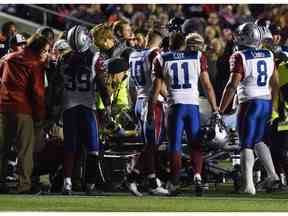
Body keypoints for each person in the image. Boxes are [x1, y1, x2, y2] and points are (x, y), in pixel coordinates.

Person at [149, 32, 218, 196]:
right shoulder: (197, 56)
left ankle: (174, 182)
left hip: (175, 105)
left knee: (175, 145)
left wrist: (151, 110)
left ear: (169, 43)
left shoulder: (161, 58)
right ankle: (198, 176)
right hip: (192, 105)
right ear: (184, 43)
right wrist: (215, 108)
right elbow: (207, 85)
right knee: (196, 143)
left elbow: (156, 89)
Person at [219, 22, 280, 195]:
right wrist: (272, 104)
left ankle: (249, 186)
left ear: (245, 37)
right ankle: (272, 175)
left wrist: (220, 110)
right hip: (266, 102)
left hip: (249, 103)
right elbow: (274, 83)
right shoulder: (268, 53)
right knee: (258, 140)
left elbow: (232, 86)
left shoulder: (239, 56)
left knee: (245, 144)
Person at [60, 25, 111, 195]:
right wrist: (108, 104)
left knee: (70, 146)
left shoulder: (63, 58)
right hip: (88, 107)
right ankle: (89, 185)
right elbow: (102, 86)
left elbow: (55, 84)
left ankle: (67, 182)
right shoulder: (95, 57)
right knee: (93, 147)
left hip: (68, 106)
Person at [0, 32, 50, 193]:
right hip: (23, 109)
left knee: (2, 148)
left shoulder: (8, 58)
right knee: (25, 150)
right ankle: (23, 185)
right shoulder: (35, 63)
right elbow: (37, 93)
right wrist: (40, 116)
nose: (47, 54)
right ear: (40, 49)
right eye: (46, 50)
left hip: (2, 107)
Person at [126, 30, 169, 196]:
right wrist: (169, 98)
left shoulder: (133, 55)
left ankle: (152, 181)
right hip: (152, 102)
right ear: (159, 42)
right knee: (151, 145)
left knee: (149, 145)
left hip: (139, 102)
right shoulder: (154, 54)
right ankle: (131, 177)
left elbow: (131, 85)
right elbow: (158, 83)